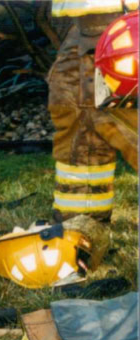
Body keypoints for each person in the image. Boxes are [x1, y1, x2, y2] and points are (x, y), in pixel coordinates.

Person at [48, 0, 137, 224]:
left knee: (127, 127)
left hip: (122, 23)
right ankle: (81, 224)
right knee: (79, 126)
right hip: (84, 25)